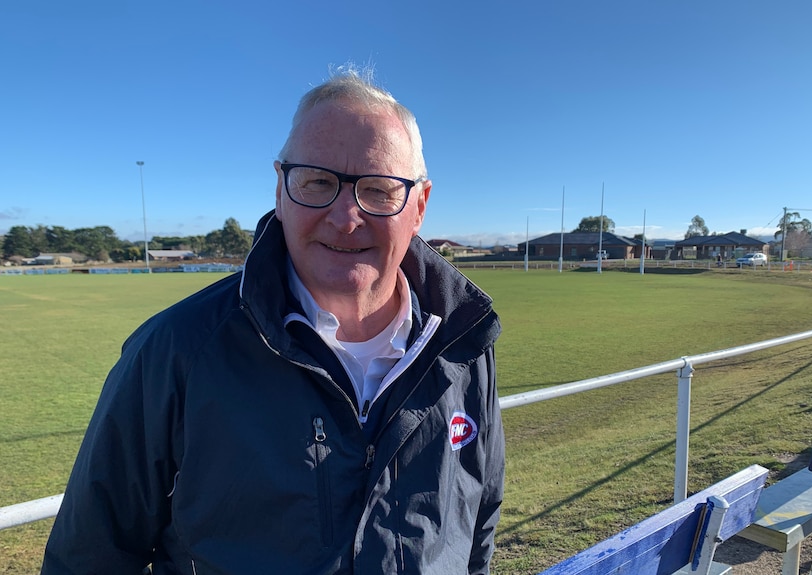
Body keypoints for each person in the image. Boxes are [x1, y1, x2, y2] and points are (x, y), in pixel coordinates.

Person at [41, 68, 505, 575]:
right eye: (318, 182)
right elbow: (88, 556)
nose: (346, 216)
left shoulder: (463, 344)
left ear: (419, 206)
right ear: (281, 190)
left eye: (378, 189)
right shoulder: (176, 352)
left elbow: (476, 522)